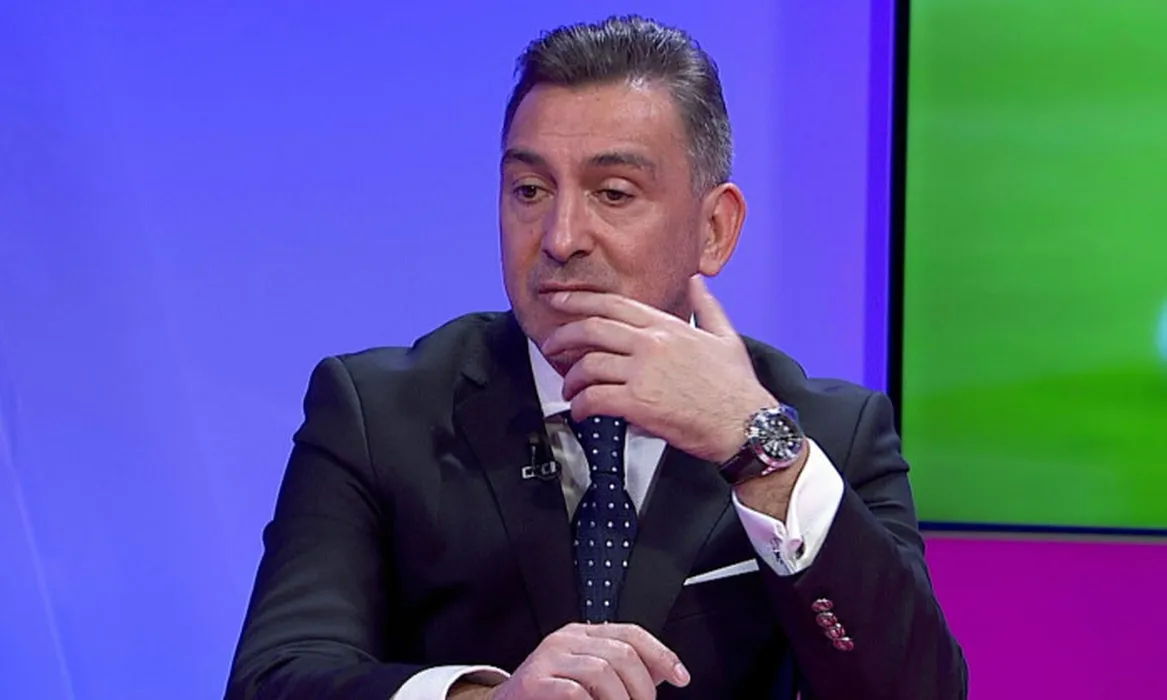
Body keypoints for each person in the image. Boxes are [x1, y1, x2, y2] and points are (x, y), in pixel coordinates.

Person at [225, 15, 967, 700]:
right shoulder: (378, 413)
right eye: (529, 189)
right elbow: (275, 680)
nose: (559, 237)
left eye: (613, 193)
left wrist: (756, 451)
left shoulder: (829, 434)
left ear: (714, 228)